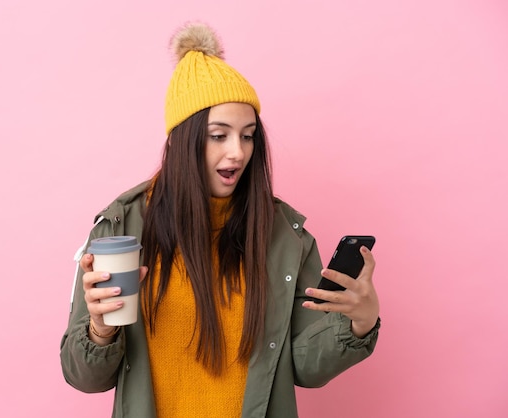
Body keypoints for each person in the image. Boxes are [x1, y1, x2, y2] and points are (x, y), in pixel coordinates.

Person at [60, 22, 380, 418]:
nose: (238, 152)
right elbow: (84, 377)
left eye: (247, 136)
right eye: (219, 135)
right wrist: (100, 328)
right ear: (182, 139)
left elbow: (305, 367)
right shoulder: (121, 228)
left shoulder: (283, 235)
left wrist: (358, 324)